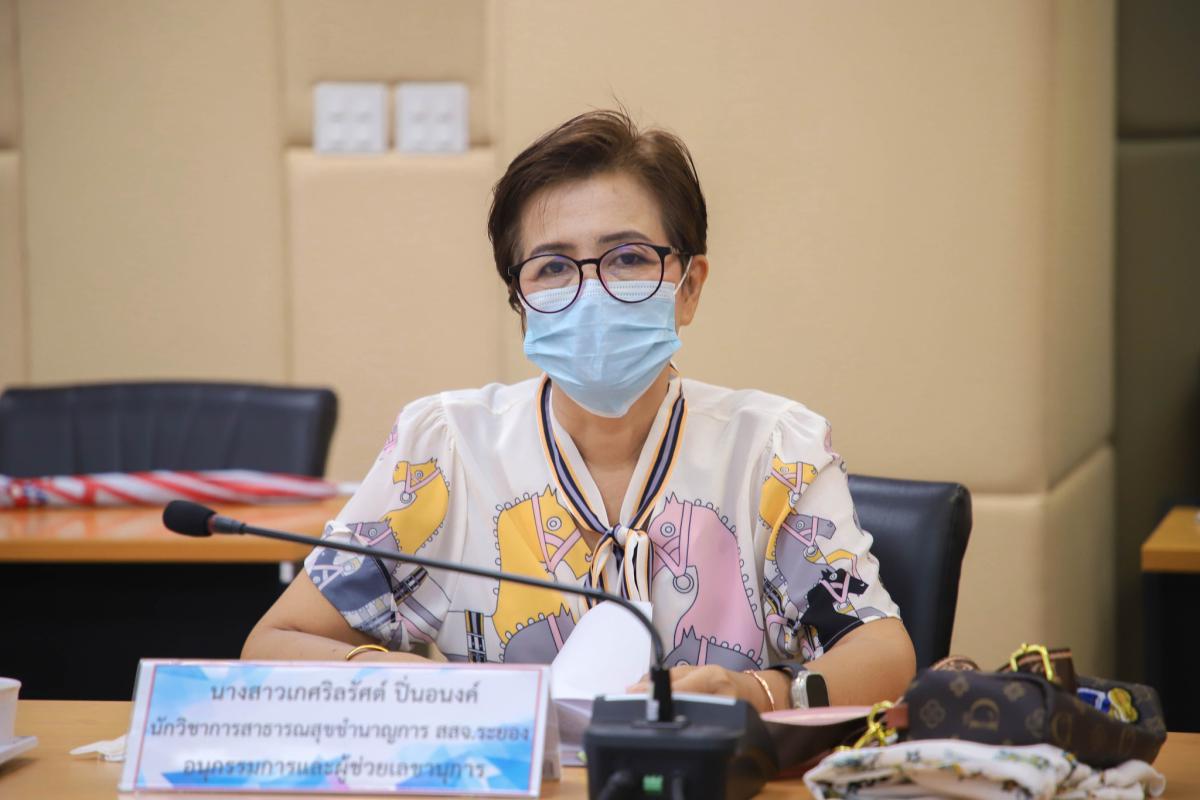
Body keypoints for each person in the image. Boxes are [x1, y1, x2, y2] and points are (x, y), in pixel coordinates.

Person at [243, 110, 916, 712]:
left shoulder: (775, 451)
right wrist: (405, 682)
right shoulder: (444, 449)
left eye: (628, 258)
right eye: (553, 268)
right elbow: (275, 642)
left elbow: (881, 652)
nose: (591, 291)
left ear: (688, 288)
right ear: (521, 305)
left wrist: (758, 694)